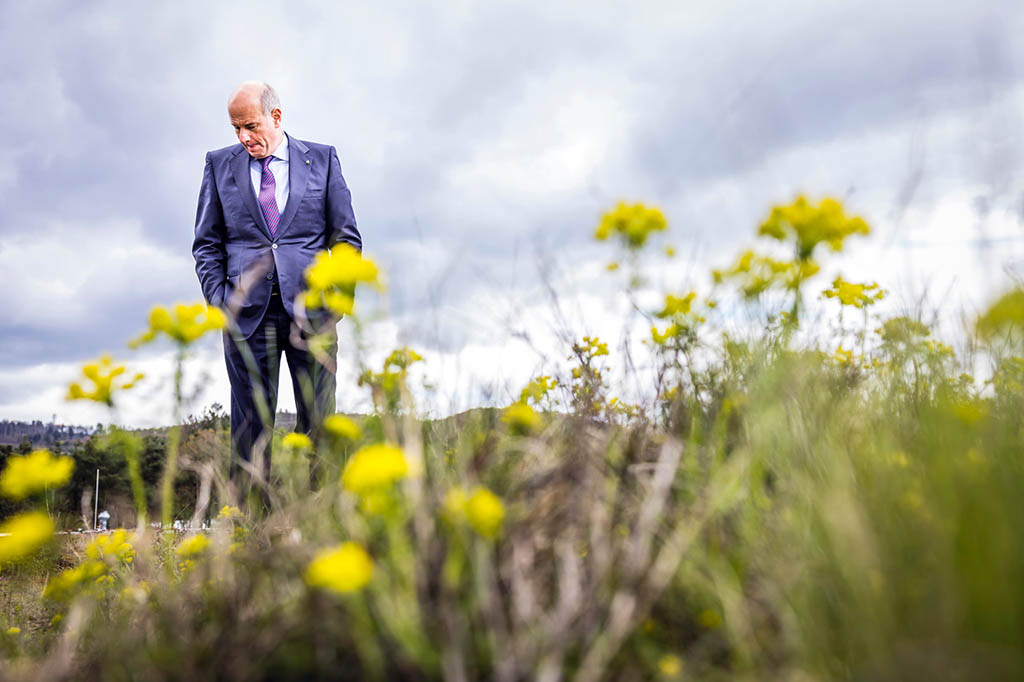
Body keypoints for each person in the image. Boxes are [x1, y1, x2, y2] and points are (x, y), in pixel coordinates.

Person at [192, 81, 361, 501]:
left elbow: (346, 240)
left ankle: (321, 521)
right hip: (246, 320)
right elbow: (206, 245)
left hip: (313, 315)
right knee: (251, 431)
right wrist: (221, 305)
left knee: (321, 425)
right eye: (236, 128)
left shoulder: (322, 159)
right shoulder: (218, 165)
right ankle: (251, 530)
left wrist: (336, 303)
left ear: (276, 117)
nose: (243, 137)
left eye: (250, 126)